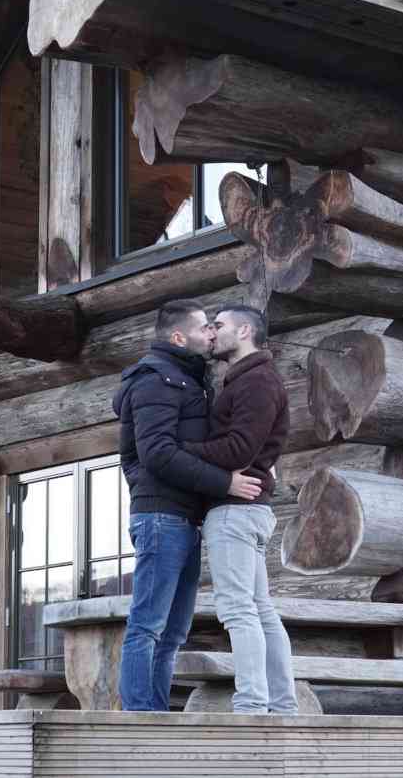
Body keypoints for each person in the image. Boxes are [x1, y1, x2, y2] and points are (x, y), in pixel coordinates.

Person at [112, 300, 261, 711]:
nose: (211, 333)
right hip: (161, 516)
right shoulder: (156, 381)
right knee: (147, 627)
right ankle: (141, 717)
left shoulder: (187, 379)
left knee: (173, 633)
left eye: (215, 327)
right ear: (179, 337)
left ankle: (155, 712)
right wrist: (224, 482)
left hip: (183, 517)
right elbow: (157, 454)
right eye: (203, 328)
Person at [180, 305, 296, 714]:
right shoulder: (244, 380)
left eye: (220, 326)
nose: (212, 333)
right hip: (247, 509)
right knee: (260, 610)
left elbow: (239, 450)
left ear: (245, 330)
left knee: (238, 611)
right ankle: (281, 706)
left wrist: (181, 452)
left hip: (236, 510)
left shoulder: (258, 382)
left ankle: (251, 705)